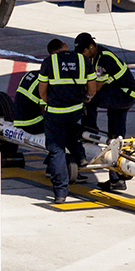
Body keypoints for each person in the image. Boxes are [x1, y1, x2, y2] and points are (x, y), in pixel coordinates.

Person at [74, 32, 135, 193]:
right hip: (118, 95)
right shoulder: (95, 56)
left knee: (89, 99)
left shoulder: (104, 59)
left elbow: (95, 88)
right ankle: (117, 179)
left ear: (91, 47)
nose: (82, 56)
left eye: (83, 52)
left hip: (125, 95)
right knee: (115, 137)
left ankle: (89, 131)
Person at [37, 38, 97, 204]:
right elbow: (92, 88)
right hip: (75, 111)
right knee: (71, 131)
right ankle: (80, 157)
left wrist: (51, 102)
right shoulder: (83, 60)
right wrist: (87, 99)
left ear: (52, 52)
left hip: (56, 112)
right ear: (65, 46)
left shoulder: (49, 62)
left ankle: (61, 192)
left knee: (56, 150)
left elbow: (42, 91)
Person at [13, 38, 69, 135]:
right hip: (32, 124)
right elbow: (45, 110)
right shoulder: (47, 82)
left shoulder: (32, 74)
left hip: (20, 120)